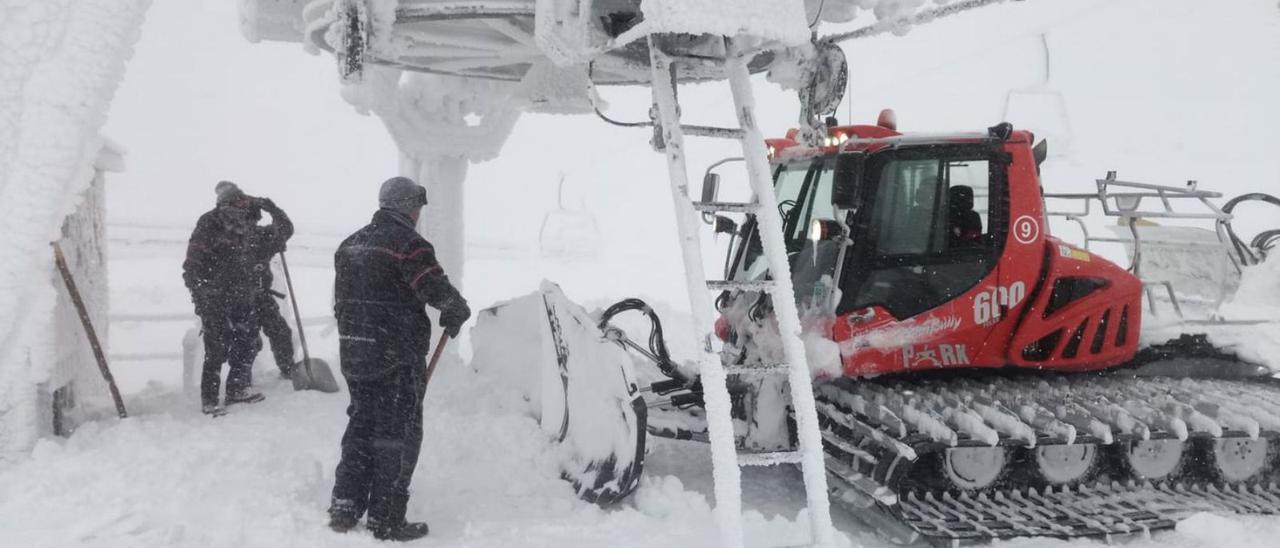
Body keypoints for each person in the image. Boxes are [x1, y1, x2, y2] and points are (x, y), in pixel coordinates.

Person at [327, 177, 470, 541]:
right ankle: (386, 518)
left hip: (354, 351)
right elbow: (431, 284)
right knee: (397, 434)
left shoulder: (350, 245)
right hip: (394, 355)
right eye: (418, 207)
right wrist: (455, 306)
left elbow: (342, 299)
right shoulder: (408, 244)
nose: (419, 214)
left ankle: (345, 504)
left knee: (361, 426)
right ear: (410, 206)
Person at [182, 182, 284, 415]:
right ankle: (209, 400)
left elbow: (283, 231)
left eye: (244, 201)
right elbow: (192, 265)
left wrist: (271, 208)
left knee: (246, 343)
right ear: (225, 203)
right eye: (238, 201)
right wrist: (201, 296)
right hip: (214, 296)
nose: (242, 205)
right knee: (216, 348)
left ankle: (237, 389)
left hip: (242, 295)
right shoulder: (209, 222)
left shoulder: (248, 226)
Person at [244, 193, 296, 380]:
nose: (251, 222)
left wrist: (274, 210)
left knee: (280, 332)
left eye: (253, 217)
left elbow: (286, 229)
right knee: (247, 339)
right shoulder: (233, 237)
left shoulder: (261, 236)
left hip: (262, 296)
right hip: (240, 299)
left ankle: (288, 368)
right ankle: (241, 379)